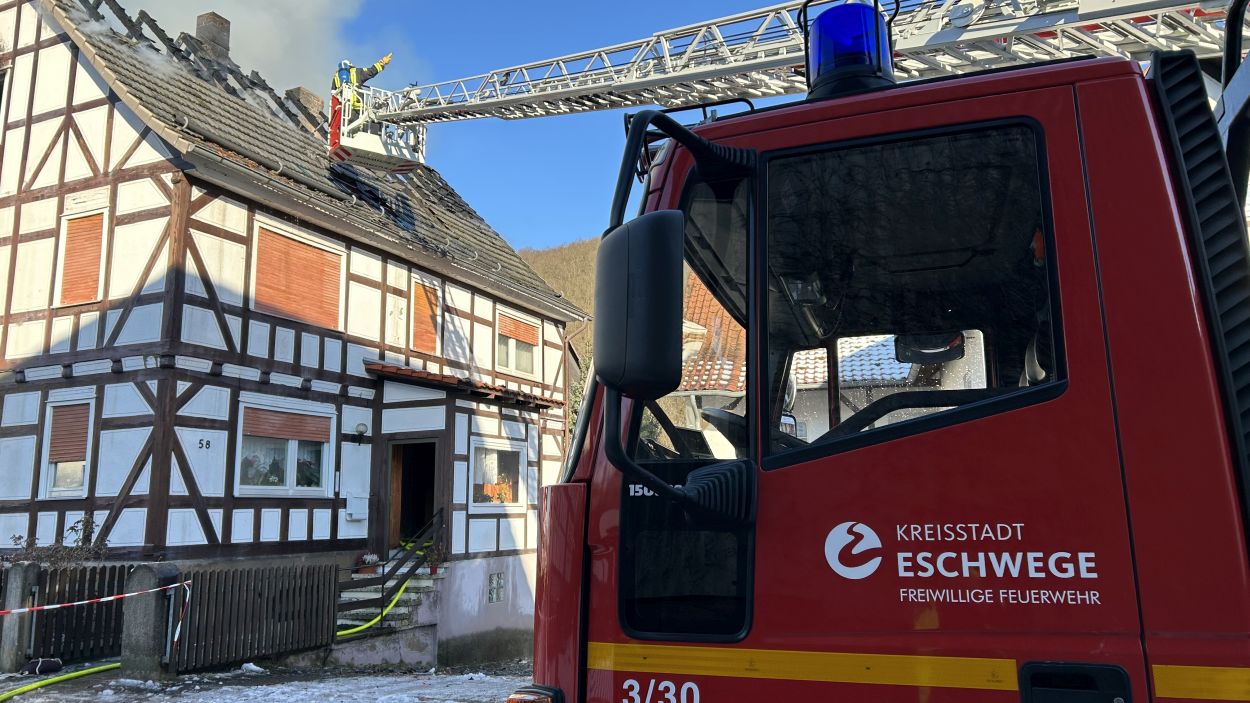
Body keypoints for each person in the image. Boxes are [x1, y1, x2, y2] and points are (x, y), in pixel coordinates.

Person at [331, 53, 393, 122]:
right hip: (358, 109)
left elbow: (333, 93)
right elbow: (371, 72)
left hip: (343, 110)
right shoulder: (356, 71)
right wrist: (382, 63)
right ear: (351, 66)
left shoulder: (336, 77)